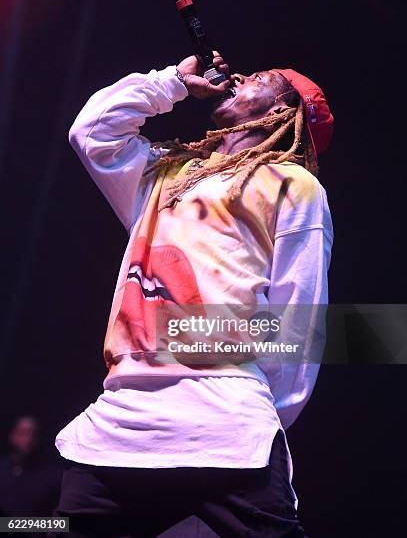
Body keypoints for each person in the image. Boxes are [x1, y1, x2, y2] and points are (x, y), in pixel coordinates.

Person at [51, 51, 333, 537]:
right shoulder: (165, 176)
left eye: (262, 79)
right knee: (31, 526)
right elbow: (92, 133)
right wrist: (172, 84)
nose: (241, 76)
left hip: (225, 425)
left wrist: (260, 409)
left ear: (283, 114)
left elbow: (299, 319)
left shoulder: (293, 185)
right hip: (119, 428)